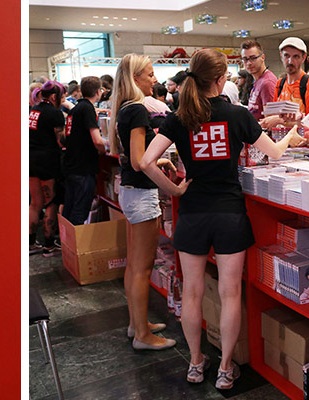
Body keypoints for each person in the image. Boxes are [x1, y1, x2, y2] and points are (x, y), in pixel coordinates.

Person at [138, 49, 303, 390]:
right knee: (230, 294)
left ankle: (196, 364)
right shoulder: (236, 114)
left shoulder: (179, 116)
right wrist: (291, 135)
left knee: (192, 294)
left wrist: (176, 189)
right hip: (229, 211)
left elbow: (145, 162)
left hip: (194, 212)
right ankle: (226, 369)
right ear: (220, 79)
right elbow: (273, 152)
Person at [111, 54, 178, 351]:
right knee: (142, 267)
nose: (155, 80)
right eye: (150, 75)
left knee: (133, 266)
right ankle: (142, 335)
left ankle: (136, 324)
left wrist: (159, 158)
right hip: (141, 192)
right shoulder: (137, 109)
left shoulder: (124, 108)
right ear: (136, 78)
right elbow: (140, 162)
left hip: (129, 191)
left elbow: (132, 157)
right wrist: (172, 188)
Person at [62, 76, 108, 225]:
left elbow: (65, 135)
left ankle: (67, 244)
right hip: (83, 167)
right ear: (99, 91)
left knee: (69, 208)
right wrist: (106, 148)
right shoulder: (87, 109)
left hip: (71, 165)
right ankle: (75, 247)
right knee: (80, 211)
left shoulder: (75, 109)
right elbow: (97, 140)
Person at [29, 81, 66, 256]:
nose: (63, 99)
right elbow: (61, 140)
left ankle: (30, 244)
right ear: (53, 97)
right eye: (62, 96)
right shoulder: (54, 113)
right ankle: (49, 245)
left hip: (30, 159)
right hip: (47, 161)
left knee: (35, 203)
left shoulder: (33, 110)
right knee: (51, 202)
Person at [260, 37, 309, 129]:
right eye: (286, 56)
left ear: (303, 58)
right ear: (281, 56)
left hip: (304, 142)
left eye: (296, 56)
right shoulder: (280, 83)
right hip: (281, 141)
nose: (290, 61)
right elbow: (272, 115)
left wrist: (279, 121)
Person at [240, 39, 278, 119]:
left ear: (262, 57)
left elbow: (270, 120)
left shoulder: (267, 82)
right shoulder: (258, 80)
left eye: (253, 58)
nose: (249, 63)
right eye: (245, 59)